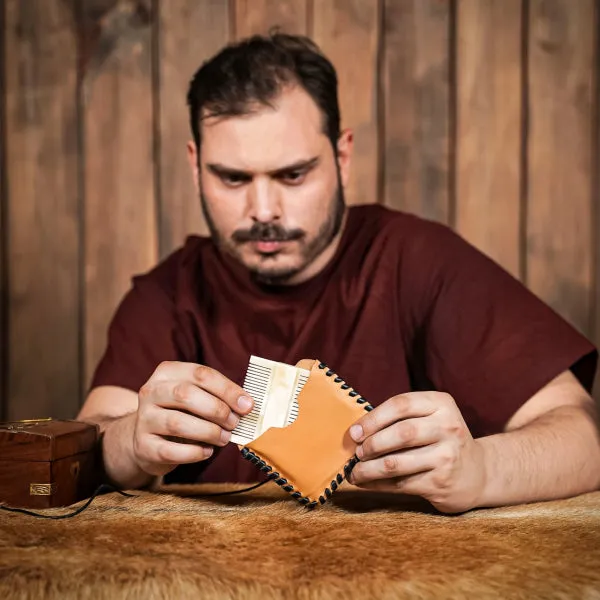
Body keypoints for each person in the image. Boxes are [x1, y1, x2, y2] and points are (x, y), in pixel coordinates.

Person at [77, 32, 600, 514]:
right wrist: (128, 444)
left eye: (293, 174)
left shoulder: (419, 260)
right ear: (195, 166)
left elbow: (582, 436)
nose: (264, 209)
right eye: (232, 178)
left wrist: (483, 470)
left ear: (342, 156)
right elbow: (84, 445)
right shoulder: (167, 294)